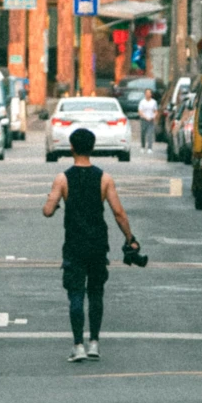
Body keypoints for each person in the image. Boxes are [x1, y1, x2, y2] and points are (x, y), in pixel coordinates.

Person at [42, 126, 136, 362]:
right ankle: (94, 342)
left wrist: (55, 200)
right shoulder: (104, 178)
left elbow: (47, 211)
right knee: (96, 294)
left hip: (74, 244)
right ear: (92, 148)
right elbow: (118, 213)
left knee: (75, 295)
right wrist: (130, 239)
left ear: (71, 148)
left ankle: (78, 346)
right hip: (97, 244)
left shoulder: (62, 178)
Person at [138, 88, 158, 153]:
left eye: (149, 93)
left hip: (151, 120)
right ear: (145, 94)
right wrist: (145, 117)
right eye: (147, 93)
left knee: (150, 134)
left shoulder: (154, 102)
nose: (148, 94)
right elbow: (140, 111)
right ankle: (143, 147)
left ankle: (150, 148)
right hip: (144, 119)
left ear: (151, 94)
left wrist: (154, 116)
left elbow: (155, 111)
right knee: (143, 133)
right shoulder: (142, 102)